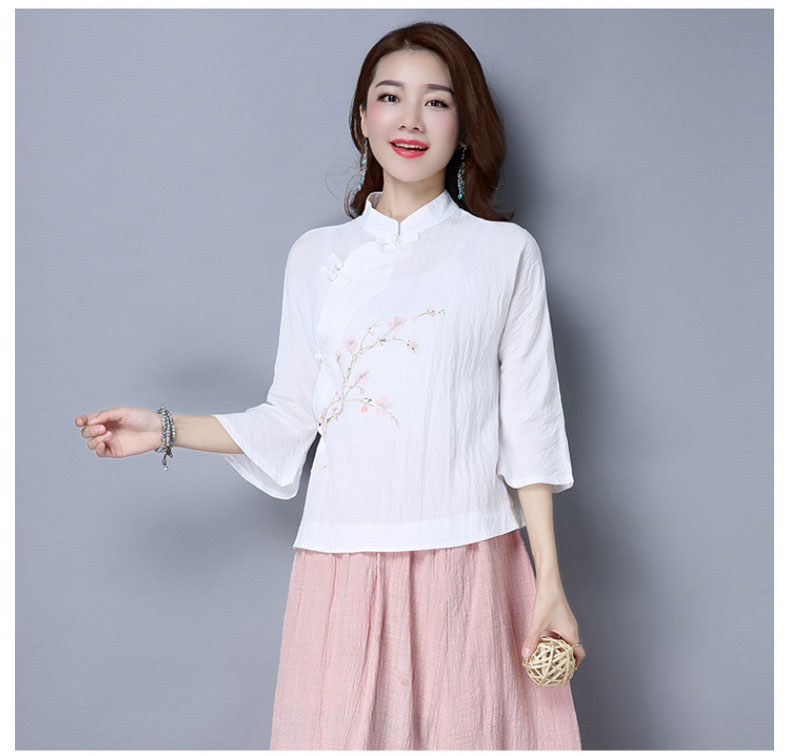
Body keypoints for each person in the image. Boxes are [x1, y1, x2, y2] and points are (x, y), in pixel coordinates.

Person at [74, 21, 586, 750]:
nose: (411, 120)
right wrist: (164, 428)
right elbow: (292, 417)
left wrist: (550, 584)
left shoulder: (505, 255)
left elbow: (529, 430)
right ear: (363, 119)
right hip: (342, 566)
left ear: (465, 125)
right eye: (391, 97)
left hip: (472, 562)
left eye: (437, 102)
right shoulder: (316, 258)